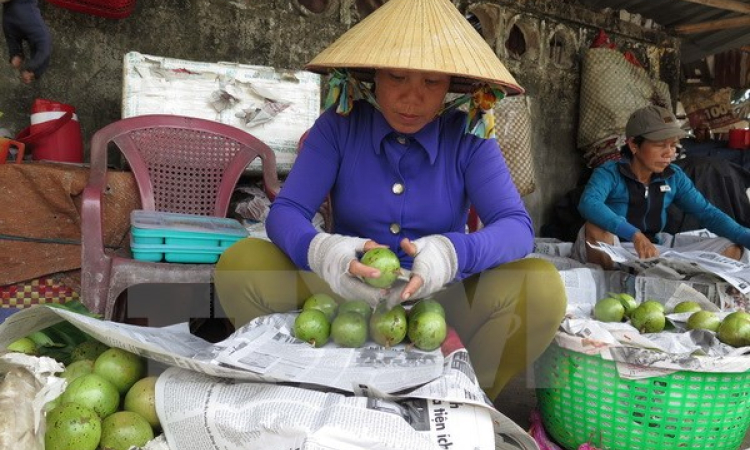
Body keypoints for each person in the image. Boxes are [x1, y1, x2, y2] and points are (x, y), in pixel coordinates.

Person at [215, 0, 567, 400]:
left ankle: (467, 399)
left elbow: (516, 227)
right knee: (240, 264)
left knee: (541, 288)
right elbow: (288, 213)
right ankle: (301, 390)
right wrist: (329, 253)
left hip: (440, 300)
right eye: (397, 76)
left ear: (452, 83)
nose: (411, 99)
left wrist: (451, 254)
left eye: (431, 83)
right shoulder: (339, 126)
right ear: (374, 74)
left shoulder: (470, 137)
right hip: (342, 292)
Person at [573, 105, 750, 269]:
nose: (669, 153)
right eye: (660, 145)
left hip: (655, 248)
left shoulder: (674, 177)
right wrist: (634, 235)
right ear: (634, 145)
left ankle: (662, 277)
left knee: (732, 248)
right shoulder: (610, 172)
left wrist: (745, 236)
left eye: (673, 145)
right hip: (615, 248)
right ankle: (615, 279)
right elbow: (589, 203)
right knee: (595, 228)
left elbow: (708, 214)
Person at [2, 0, 52, 83]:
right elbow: (44, 45)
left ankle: (16, 55)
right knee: (44, 43)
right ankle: (29, 68)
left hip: (9, 18)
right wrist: (31, 68)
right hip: (23, 14)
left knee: (12, 37)